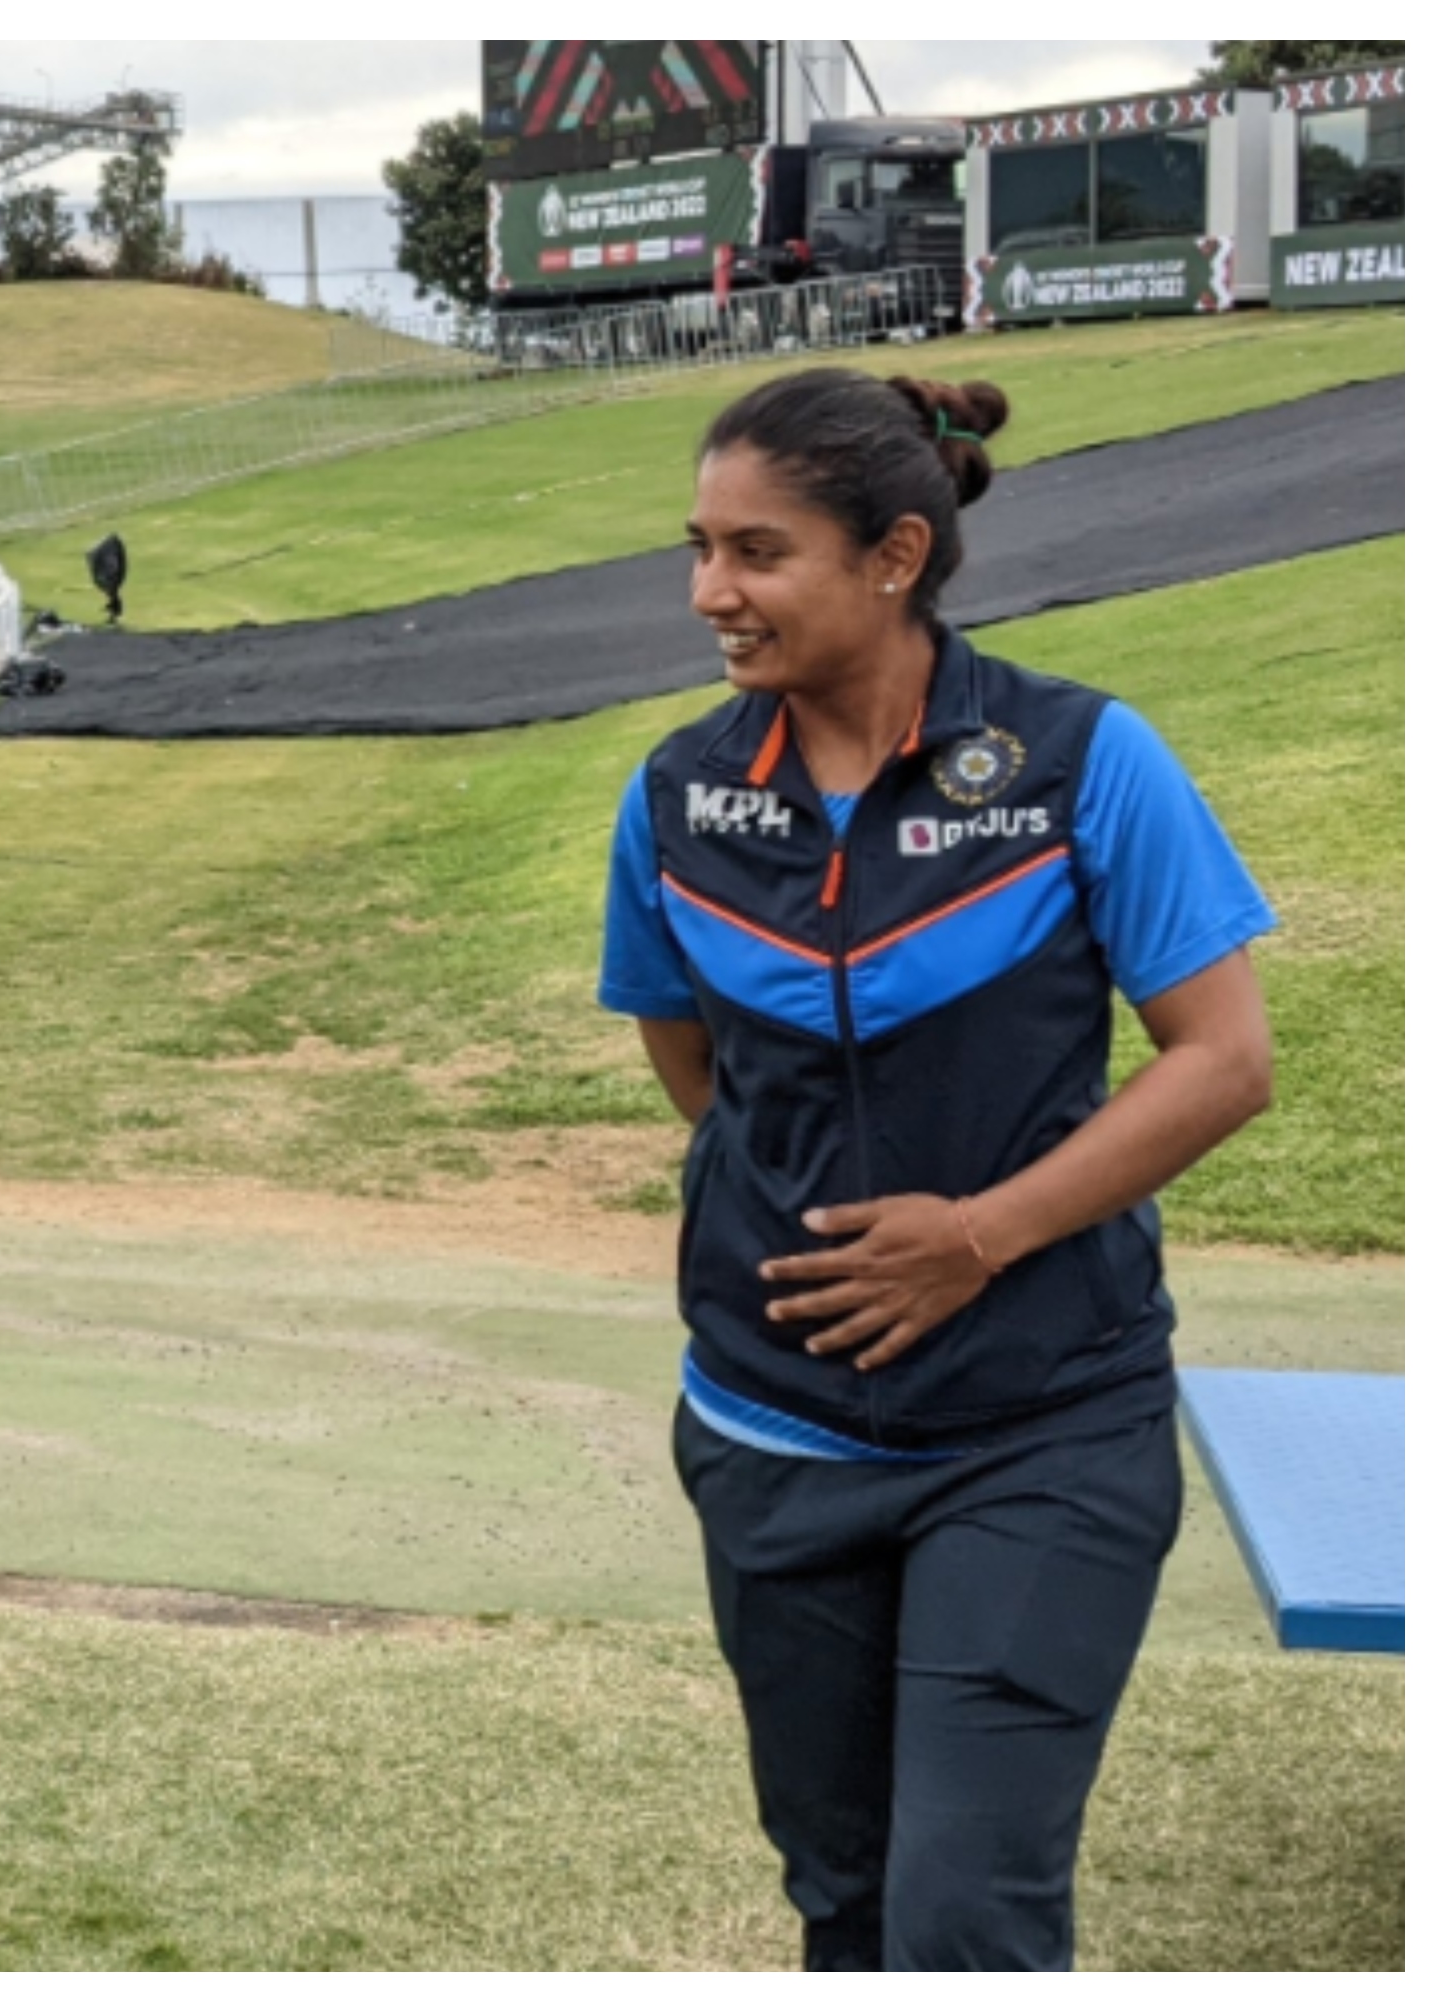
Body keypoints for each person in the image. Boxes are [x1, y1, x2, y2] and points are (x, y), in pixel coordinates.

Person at [600, 368, 1277, 1971]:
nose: (712, 593)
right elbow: (693, 1061)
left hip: (1041, 1431)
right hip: (773, 1432)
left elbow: (1224, 1060)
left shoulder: (1082, 761)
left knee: (966, 1915)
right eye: (697, 549)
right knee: (845, 1907)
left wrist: (976, 1235)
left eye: (757, 553)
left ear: (894, 555)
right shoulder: (680, 795)